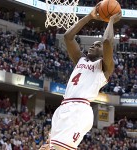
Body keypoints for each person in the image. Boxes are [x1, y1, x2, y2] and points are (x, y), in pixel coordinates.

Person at [42, 3, 121, 150]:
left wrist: (110, 20)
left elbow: (107, 41)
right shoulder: (80, 59)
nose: (93, 46)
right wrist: (89, 17)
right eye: (93, 44)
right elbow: (68, 37)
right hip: (64, 107)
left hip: (79, 110)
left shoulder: (105, 67)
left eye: (97, 46)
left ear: (104, 53)